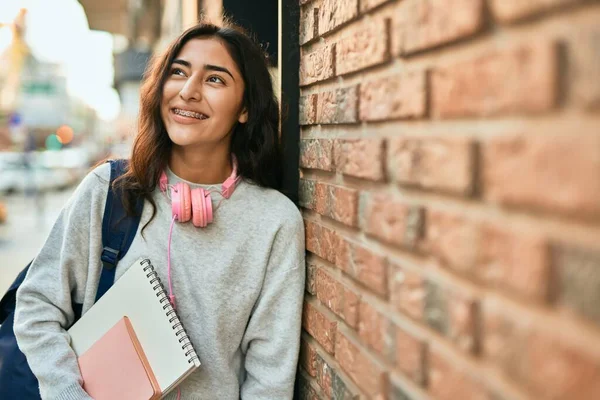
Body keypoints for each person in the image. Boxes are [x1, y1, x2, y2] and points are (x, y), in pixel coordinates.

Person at [14, 21, 305, 400]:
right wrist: (68, 392)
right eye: (178, 72)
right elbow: (37, 305)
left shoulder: (274, 222)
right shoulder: (109, 191)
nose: (189, 91)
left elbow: (270, 376)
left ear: (246, 107)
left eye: (214, 80)